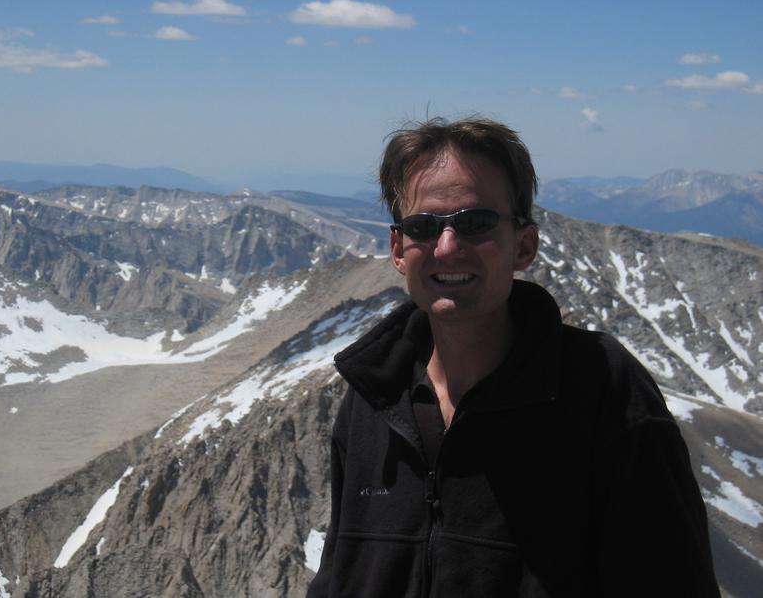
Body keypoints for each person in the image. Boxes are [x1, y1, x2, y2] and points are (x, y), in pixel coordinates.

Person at [306, 117, 719, 597]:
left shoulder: (602, 390)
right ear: (399, 250)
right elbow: (338, 576)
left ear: (524, 246)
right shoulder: (373, 397)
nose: (448, 247)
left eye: (475, 223)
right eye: (423, 227)